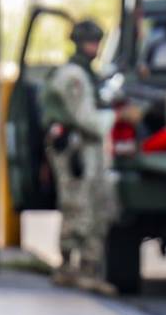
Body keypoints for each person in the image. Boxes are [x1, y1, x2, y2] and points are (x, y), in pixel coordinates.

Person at [38, 18, 128, 294]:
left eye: (97, 42)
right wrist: (119, 116)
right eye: (90, 41)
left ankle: (88, 268)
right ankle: (68, 267)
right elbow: (87, 119)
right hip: (75, 150)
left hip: (90, 150)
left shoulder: (88, 75)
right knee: (78, 206)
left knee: (98, 206)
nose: (94, 47)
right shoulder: (73, 76)